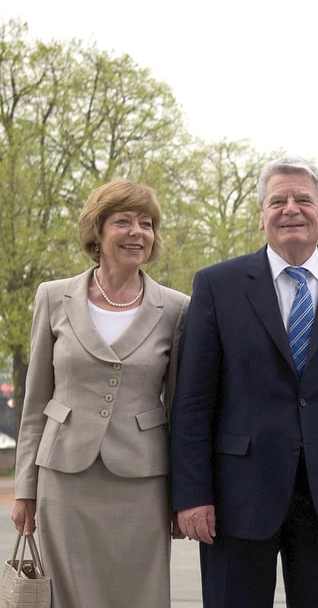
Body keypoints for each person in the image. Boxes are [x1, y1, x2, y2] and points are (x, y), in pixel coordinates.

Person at [170, 156, 318, 608]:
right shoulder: (217, 285)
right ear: (261, 217)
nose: (291, 208)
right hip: (236, 497)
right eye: (278, 200)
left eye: (303, 199)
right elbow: (192, 401)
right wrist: (191, 496)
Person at [11, 180, 189, 608]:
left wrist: (185, 497)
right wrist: (24, 489)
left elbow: (182, 410)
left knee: (140, 594)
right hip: (64, 477)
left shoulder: (178, 308)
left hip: (143, 481)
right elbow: (35, 402)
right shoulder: (53, 297)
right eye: (123, 221)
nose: (137, 232)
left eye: (146, 224)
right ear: (97, 231)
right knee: (68, 594)